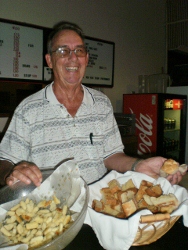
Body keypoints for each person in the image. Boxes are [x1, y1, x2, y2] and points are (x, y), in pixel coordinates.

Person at [0, 21, 184, 187]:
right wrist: (12, 172)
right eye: (63, 51)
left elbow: (111, 155)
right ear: (49, 60)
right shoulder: (28, 109)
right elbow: (4, 162)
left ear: (86, 59)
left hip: (98, 207)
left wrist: (138, 165)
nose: (73, 58)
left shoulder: (101, 103)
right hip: (51, 213)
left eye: (79, 51)